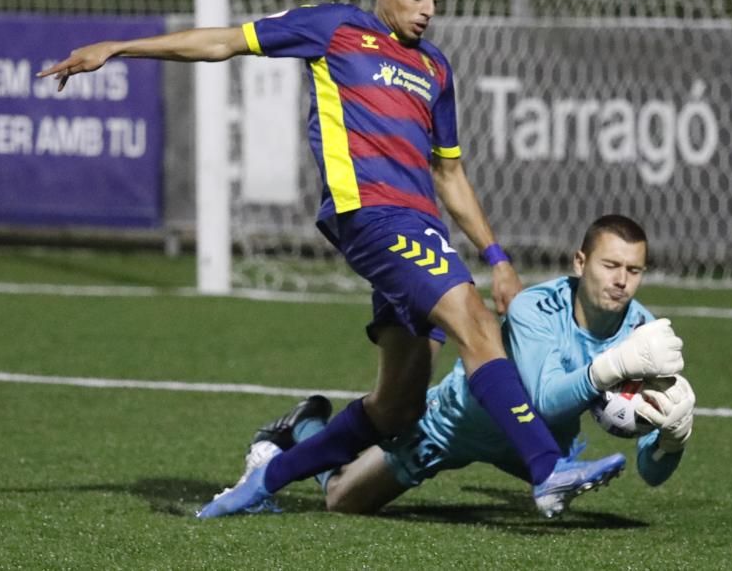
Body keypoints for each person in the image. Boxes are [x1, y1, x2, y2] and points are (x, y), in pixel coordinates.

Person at [38, 0, 684, 519]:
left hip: (419, 227)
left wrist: (496, 254)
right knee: (477, 326)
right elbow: (223, 42)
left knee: (399, 406)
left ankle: (267, 479)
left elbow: (449, 175)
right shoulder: (334, 28)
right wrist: (119, 47)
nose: (428, 9)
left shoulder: (435, 70)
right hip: (372, 215)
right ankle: (548, 467)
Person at [204, 215, 695, 515]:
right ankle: (305, 427)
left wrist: (670, 442)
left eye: (634, 270)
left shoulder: (644, 332)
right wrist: (610, 368)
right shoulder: (534, 307)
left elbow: (649, 473)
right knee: (342, 499)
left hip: (537, 449)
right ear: (580, 262)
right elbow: (542, 400)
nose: (622, 282)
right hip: (456, 424)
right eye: (611, 266)